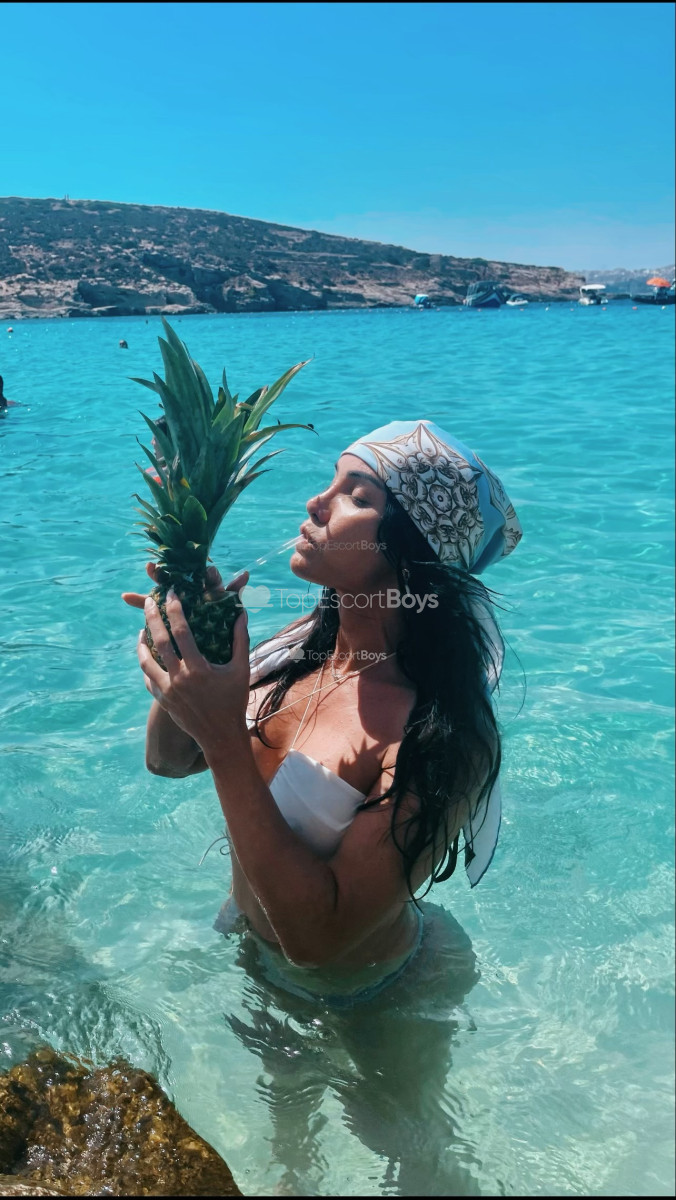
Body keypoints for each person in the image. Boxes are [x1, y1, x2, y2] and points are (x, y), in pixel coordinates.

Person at [122, 419, 522, 1006]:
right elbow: (169, 760)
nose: (316, 502)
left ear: (412, 551)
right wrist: (193, 652)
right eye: (332, 481)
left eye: (356, 497)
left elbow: (319, 942)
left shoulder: (442, 736)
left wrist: (226, 741)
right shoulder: (297, 653)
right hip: (251, 948)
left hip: (377, 999)